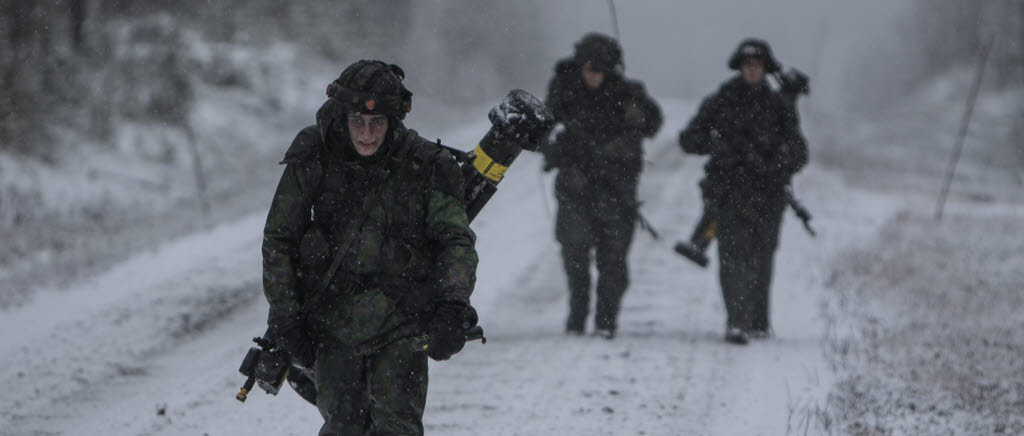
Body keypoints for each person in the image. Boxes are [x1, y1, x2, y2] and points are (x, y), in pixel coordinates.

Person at [261, 59, 480, 435]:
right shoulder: (314, 157)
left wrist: (452, 305)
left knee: (396, 427)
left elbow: (454, 240)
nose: (366, 134)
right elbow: (280, 239)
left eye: (377, 123)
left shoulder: (426, 165)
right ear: (342, 117)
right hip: (332, 324)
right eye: (357, 122)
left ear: (393, 121)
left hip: (402, 320)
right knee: (343, 426)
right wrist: (286, 317)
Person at [677, 38, 808, 345]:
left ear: (765, 69)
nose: (752, 71)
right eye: (747, 66)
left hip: (768, 195)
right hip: (730, 193)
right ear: (739, 67)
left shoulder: (779, 106)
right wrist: (717, 146)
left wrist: (776, 166)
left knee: (761, 258)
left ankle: (758, 321)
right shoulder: (721, 101)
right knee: (733, 257)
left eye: (758, 66)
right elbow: (688, 139)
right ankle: (736, 321)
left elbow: (799, 152)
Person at [542, 33, 662, 339]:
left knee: (614, 260)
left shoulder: (627, 93)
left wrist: (636, 118)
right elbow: (541, 127)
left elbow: (653, 123)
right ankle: (577, 316)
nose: (593, 75)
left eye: (601, 69)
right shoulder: (565, 91)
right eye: (588, 68)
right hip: (575, 187)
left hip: (616, 191)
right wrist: (556, 150)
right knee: (575, 256)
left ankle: (606, 321)